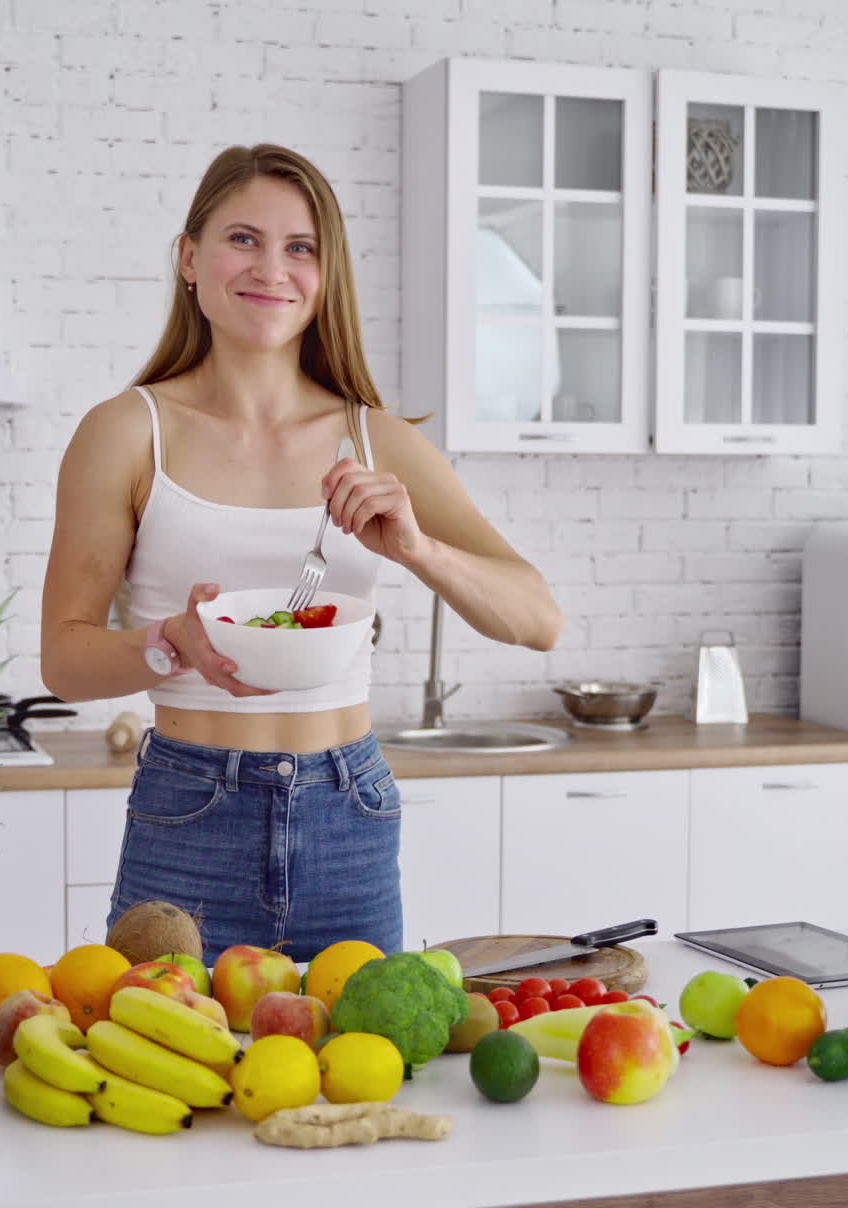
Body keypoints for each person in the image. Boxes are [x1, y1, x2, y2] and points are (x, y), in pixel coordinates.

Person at [41, 143, 562, 965]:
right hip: (188, 815)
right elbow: (64, 662)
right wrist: (170, 641)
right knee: (166, 1081)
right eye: (242, 238)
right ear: (189, 258)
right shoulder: (124, 433)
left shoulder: (375, 440)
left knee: (361, 1083)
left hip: (346, 815)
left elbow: (539, 620)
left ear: (326, 275)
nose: (271, 269)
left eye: (301, 247)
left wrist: (420, 551)